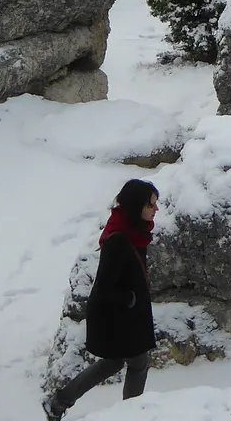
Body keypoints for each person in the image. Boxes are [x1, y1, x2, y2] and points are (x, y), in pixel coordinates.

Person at [44, 179, 159, 419]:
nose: (155, 209)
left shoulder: (133, 230)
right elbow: (104, 288)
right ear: (137, 205)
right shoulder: (119, 240)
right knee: (138, 363)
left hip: (122, 315)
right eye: (151, 205)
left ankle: (59, 401)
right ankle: (132, 414)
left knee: (113, 362)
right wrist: (129, 298)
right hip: (116, 316)